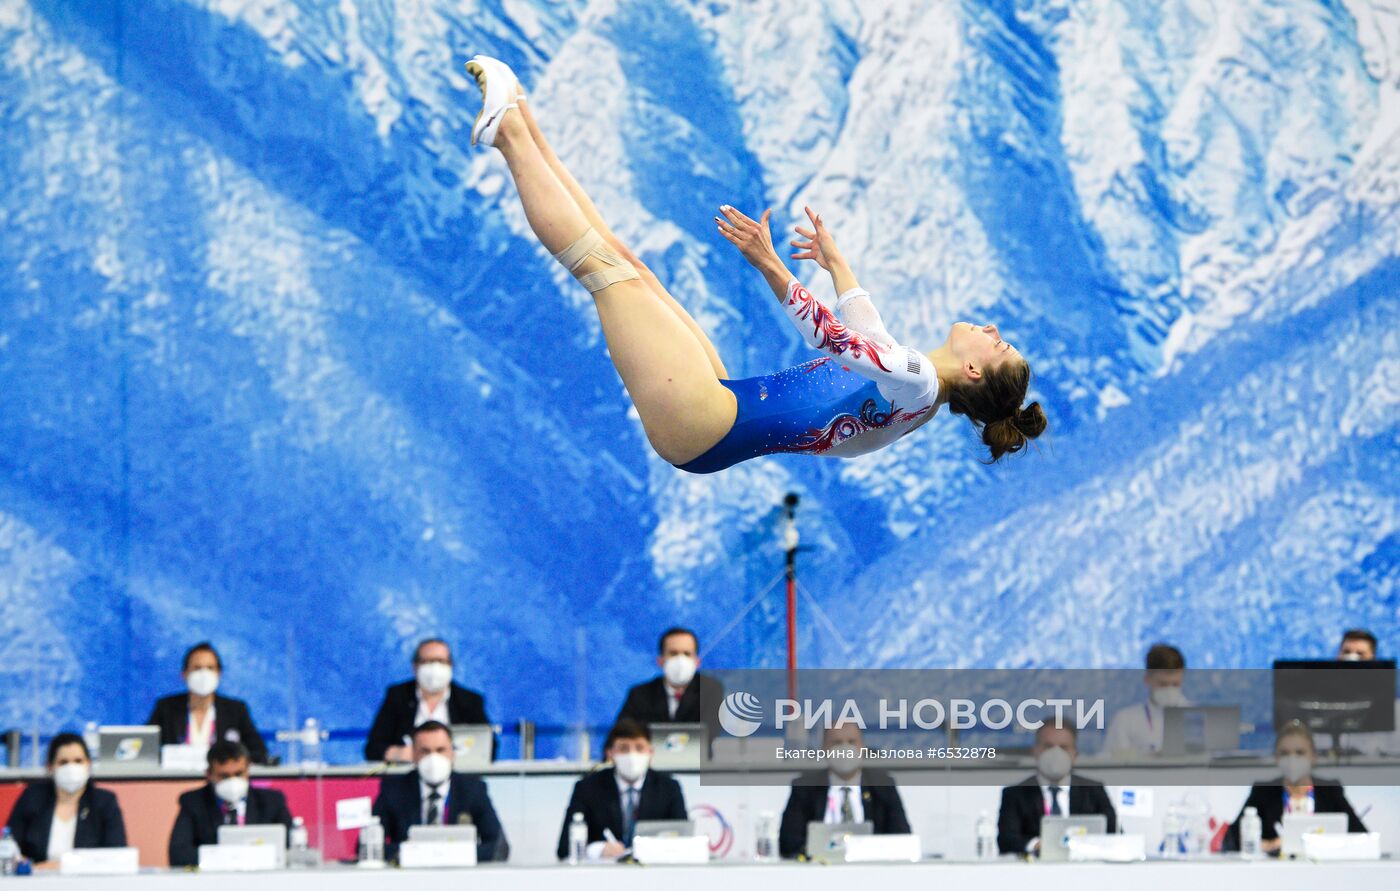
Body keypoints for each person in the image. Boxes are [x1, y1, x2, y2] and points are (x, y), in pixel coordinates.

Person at [463, 55, 1045, 473]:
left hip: (708, 421)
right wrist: (837, 264)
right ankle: (522, 118)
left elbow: (841, 343)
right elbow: (868, 334)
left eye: (998, 346)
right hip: (718, 408)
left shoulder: (918, 380)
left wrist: (772, 265)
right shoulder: (912, 386)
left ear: (973, 373)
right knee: (630, 267)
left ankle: (509, 133)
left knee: (608, 272)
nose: (992, 331)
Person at [372, 721, 508, 863]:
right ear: (413, 755)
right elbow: (368, 847)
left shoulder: (473, 788)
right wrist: (416, 854)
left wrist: (450, 854)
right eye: (425, 751)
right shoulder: (394, 789)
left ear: (452, 753)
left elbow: (499, 846)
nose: (433, 758)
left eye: (440, 750)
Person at [1225, 721, 1366, 854]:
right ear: (1276, 758)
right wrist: (1267, 845)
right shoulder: (1263, 791)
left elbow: (1362, 837)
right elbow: (1230, 840)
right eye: (1285, 753)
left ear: (1313, 756)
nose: (1292, 759)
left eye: (1300, 752)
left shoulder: (1330, 790)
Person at [555, 719, 686, 862]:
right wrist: (598, 850)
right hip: (602, 877)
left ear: (650, 752)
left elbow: (685, 843)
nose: (632, 755)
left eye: (639, 748)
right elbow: (564, 849)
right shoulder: (587, 788)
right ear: (610, 753)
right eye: (624, 749)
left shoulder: (668, 788)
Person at [777, 722, 910, 859]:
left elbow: (903, 839)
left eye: (852, 742)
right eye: (837, 743)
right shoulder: (805, 788)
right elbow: (787, 844)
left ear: (863, 747)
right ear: (824, 749)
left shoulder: (882, 786)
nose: (845, 749)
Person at [4, 734, 125, 868]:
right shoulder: (32, 798)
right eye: (63, 762)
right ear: (50, 767)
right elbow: (10, 848)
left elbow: (117, 854)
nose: (71, 768)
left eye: (78, 761)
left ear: (89, 764)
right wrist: (28, 867)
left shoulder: (104, 802)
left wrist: (62, 866)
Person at [997, 721, 1117, 855]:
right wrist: (1037, 845)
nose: (1056, 753)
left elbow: (1115, 834)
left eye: (1063, 747)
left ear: (1075, 754)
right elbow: (1006, 840)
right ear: (1035, 751)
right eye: (1048, 746)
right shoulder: (1015, 794)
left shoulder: (1093, 790)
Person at [168, 740, 293, 867]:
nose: (233, 781)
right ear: (209, 774)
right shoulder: (193, 802)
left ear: (248, 769)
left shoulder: (272, 801)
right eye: (224, 776)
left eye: (239, 774)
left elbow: (292, 849)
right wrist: (226, 858)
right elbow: (178, 854)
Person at [365, 638, 492, 762]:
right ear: (415, 666)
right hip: (407, 777)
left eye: (441, 661)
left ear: (451, 666)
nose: (434, 668)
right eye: (427, 661)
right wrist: (397, 753)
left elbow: (489, 748)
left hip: (457, 778)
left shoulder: (469, 701)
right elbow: (373, 748)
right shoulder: (398, 696)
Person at [146, 641, 269, 764]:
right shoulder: (166, 708)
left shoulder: (236, 710)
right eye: (197, 668)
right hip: (175, 780)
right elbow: (145, 750)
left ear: (219, 674)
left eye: (210, 668)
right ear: (184, 674)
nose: (204, 674)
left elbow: (259, 752)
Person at [616, 627, 723, 737]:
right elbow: (623, 734)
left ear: (697, 662)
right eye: (673, 653)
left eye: (687, 653)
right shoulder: (639, 694)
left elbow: (710, 733)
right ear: (660, 661)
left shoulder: (710, 690)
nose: (680, 660)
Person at [1320, 628, 1400, 755]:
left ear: (1373, 661)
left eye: (1360, 654)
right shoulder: (1317, 705)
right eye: (1346, 652)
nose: (1351, 659)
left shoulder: (1394, 709)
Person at [1104, 643, 1189, 757]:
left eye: (1175, 684)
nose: (1170, 691)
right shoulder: (1125, 720)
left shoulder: (1199, 719)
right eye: (1163, 684)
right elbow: (1110, 762)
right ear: (1147, 679)